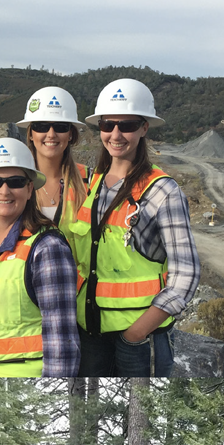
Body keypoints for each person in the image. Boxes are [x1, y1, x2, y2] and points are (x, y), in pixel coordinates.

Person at [67, 77, 200, 377]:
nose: (115, 133)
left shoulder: (162, 191)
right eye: (108, 124)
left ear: (144, 128)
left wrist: (136, 334)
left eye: (127, 125)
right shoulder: (93, 184)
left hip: (137, 343)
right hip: (91, 337)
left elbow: (186, 275)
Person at [0, 138, 79, 377]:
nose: (4, 191)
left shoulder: (47, 248)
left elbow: (62, 347)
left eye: (16, 182)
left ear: (30, 188)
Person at [15, 86, 89, 230]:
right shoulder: (14, 181)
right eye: (41, 126)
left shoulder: (91, 181)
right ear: (31, 134)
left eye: (60, 127)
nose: (51, 134)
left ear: (70, 134)